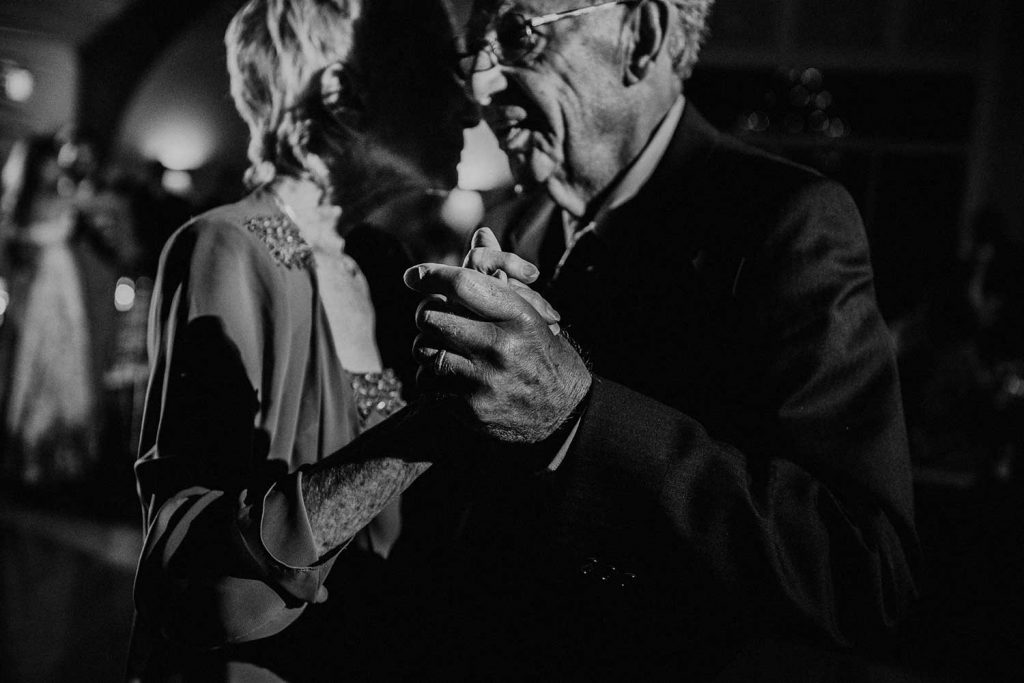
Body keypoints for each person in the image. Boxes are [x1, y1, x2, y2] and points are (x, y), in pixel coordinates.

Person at [400, 0, 919, 678]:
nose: (483, 84)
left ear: (641, 36)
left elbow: (865, 574)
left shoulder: (784, 222)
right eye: (478, 51)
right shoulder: (516, 226)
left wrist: (577, 420)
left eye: (519, 35)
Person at [127, 0, 518, 680]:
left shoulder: (381, 261)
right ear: (341, 95)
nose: (470, 111)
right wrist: (426, 429)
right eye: (437, 74)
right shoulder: (225, 248)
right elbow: (193, 579)